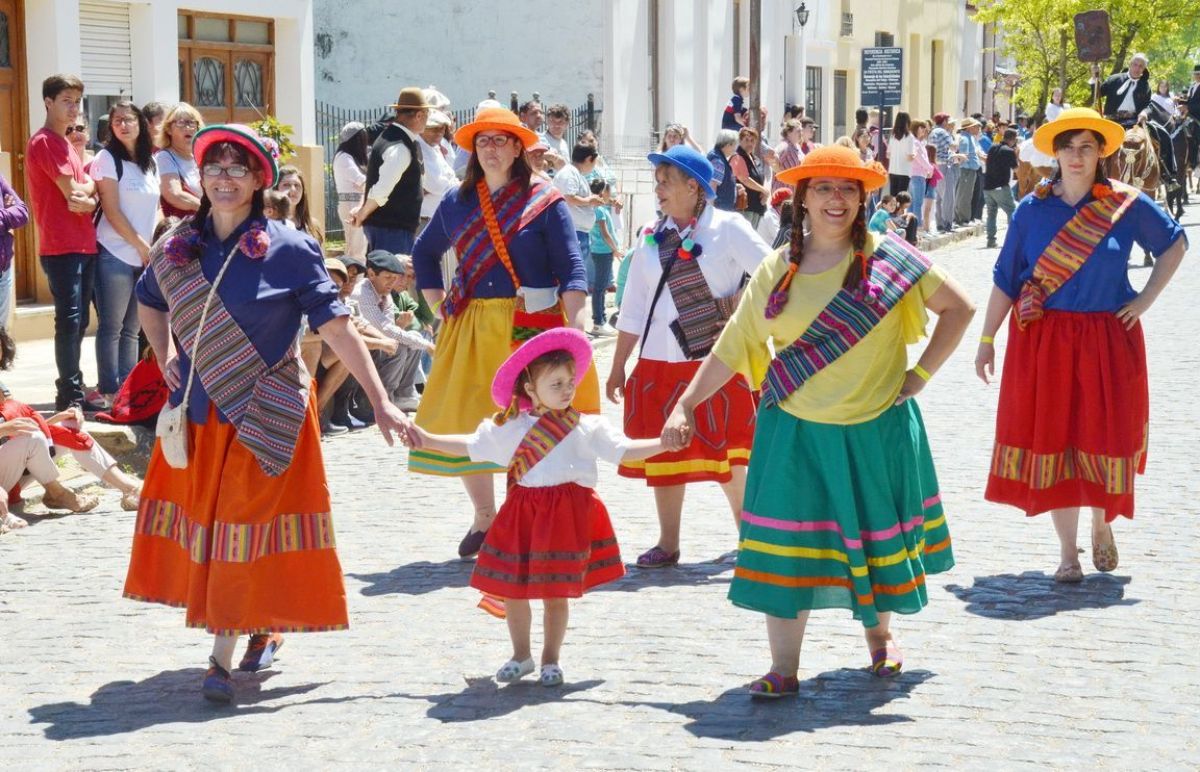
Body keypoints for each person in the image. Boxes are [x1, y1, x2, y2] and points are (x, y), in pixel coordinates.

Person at [661, 145, 974, 698]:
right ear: (801, 198)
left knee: (871, 542)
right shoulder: (776, 270)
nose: (837, 199)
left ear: (863, 198)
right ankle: (783, 667)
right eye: (824, 188)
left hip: (873, 429)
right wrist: (685, 402)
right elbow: (734, 346)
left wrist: (920, 375)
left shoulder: (892, 259)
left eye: (848, 189)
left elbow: (960, 308)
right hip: (796, 433)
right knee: (785, 550)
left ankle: (880, 641)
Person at [125, 123, 413, 704]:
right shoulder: (177, 244)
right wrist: (165, 354)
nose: (224, 179)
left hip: (269, 415)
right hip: (203, 415)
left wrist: (380, 400)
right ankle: (259, 625)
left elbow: (335, 325)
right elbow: (149, 302)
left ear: (260, 180)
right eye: (214, 168)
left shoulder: (289, 247)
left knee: (238, 526)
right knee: (229, 529)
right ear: (200, 178)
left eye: (237, 169)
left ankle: (218, 661)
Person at [976, 108, 1187, 583]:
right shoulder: (1032, 209)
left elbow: (1175, 244)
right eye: (1068, 146)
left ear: (1100, 154)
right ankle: (1068, 553)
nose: (1076, 156)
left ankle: (1101, 522)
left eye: (1087, 147)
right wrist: (987, 339)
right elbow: (1006, 278)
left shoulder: (1125, 204)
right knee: (1055, 439)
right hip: (1045, 342)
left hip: (1107, 339)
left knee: (1104, 437)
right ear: (1055, 153)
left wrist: (1146, 299)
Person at [410, 328, 664, 685]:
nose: (567, 390)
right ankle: (521, 654)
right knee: (515, 590)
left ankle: (551, 659)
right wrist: (428, 439)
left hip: (565, 517)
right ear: (529, 389)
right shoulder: (511, 427)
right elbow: (470, 446)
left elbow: (624, 451)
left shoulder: (587, 426)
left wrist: (663, 444)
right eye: (556, 383)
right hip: (523, 516)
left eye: (569, 382)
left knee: (555, 593)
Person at [410, 106, 597, 558]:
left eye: (500, 140)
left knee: (537, 421)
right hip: (472, 327)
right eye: (483, 141)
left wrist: (576, 321)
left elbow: (572, 265)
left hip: (532, 324)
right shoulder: (457, 201)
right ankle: (485, 517)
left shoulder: (545, 200)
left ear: (518, 147)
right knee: (469, 420)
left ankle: (533, 514)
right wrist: (439, 307)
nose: (491, 149)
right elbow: (424, 253)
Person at [607, 144, 767, 567]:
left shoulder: (727, 228)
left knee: (727, 454)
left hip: (712, 361)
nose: (658, 189)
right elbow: (635, 305)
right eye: (657, 181)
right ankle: (668, 541)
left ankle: (751, 538)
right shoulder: (649, 236)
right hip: (658, 360)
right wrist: (619, 363)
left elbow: (772, 275)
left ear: (694, 186)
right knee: (665, 452)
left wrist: (739, 308)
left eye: (666, 181)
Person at [26, 74, 99, 411]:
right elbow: (73, 194)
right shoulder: (44, 142)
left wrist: (90, 197)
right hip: (61, 246)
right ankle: (68, 395)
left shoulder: (67, 144)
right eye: (66, 100)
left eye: (77, 101)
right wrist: (88, 196)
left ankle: (75, 386)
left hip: (85, 244)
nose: (74, 108)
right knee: (69, 323)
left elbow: (88, 191)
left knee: (81, 323)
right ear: (48, 103)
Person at [91, 101, 161, 408]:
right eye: (117, 121)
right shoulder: (106, 158)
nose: (122, 125)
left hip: (144, 255)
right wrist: (140, 245)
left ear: (140, 124)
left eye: (129, 120)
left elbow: (156, 208)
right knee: (112, 326)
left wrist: (155, 244)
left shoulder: (151, 162)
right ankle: (110, 390)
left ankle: (129, 392)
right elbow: (112, 210)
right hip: (115, 253)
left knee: (133, 329)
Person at [348, 249, 434, 413]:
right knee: (400, 345)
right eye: (388, 277)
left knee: (412, 337)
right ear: (372, 274)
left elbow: (418, 321)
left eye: (394, 278)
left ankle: (403, 395)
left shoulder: (385, 294)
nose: (392, 282)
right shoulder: (362, 293)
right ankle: (381, 399)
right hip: (360, 347)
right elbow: (386, 329)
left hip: (375, 344)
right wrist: (427, 346)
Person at [350, 87, 432, 254]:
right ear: (419, 115)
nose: (427, 120)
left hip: (390, 229)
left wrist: (362, 209)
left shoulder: (391, 138)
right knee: (393, 278)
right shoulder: (400, 147)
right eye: (427, 115)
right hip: (392, 230)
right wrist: (363, 213)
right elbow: (381, 190)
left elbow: (373, 182)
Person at [1092, 54, 1179, 188]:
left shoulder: (1145, 86)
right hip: (1112, 122)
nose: (1137, 68)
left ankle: (1167, 175)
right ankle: (1089, 173)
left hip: (1135, 122)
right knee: (1091, 139)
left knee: (1163, 134)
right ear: (1130, 64)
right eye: (1135, 64)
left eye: (1141, 66)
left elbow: (1148, 105)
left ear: (1144, 69)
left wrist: (1144, 113)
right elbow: (1097, 93)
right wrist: (1094, 78)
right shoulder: (1114, 79)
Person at [157, 103, 204, 219]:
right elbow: (174, 195)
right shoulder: (164, 157)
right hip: (182, 231)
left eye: (191, 123)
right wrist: (208, 209)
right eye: (181, 123)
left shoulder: (201, 157)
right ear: (169, 130)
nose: (187, 127)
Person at [587, 178, 622, 336]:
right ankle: (598, 322)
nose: (610, 195)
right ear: (602, 192)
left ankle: (601, 320)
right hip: (603, 252)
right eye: (609, 191)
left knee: (601, 287)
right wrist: (615, 249)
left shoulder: (596, 207)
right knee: (600, 288)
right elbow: (605, 234)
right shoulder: (600, 210)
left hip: (600, 251)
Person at [333, 121, 369, 261]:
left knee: (358, 250)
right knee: (356, 251)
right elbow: (363, 182)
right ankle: (355, 282)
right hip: (351, 205)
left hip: (355, 204)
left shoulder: (349, 157)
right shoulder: (344, 158)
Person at [982, 128, 1020, 248]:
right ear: (1013, 139)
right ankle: (1012, 240)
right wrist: (1016, 156)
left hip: (988, 186)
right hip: (1001, 186)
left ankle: (991, 240)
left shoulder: (993, 147)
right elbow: (1016, 169)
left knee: (991, 214)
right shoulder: (1009, 151)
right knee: (1012, 211)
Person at [0, 172, 29, 326]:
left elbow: (23, 212)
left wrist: (2, 216)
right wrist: (7, 213)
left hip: (3, 270)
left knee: (1, 333)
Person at [730, 127, 770, 228]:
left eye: (752, 140)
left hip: (756, 206)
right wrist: (764, 190)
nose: (750, 143)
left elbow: (760, 176)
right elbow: (744, 179)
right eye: (746, 140)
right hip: (744, 207)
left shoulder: (755, 159)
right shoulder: (737, 157)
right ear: (740, 141)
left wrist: (764, 193)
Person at [275, 165, 323, 243]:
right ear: (276, 189)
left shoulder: (313, 226)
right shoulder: (269, 225)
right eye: (286, 185)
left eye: (297, 185)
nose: (293, 189)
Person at [954, 118, 985, 226]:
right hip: (967, 170)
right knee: (965, 195)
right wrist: (967, 168)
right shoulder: (965, 139)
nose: (978, 128)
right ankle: (964, 219)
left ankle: (961, 218)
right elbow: (964, 156)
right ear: (969, 128)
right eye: (976, 126)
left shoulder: (968, 137)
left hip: (969, 170)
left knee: (964, 194)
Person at [907, 120, 934, 233]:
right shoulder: (916, 143)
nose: (923, 130)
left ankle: (911, 229)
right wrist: (930, 168)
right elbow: (920, 158)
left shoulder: (916, 142)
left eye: (924, 128)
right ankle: (917, 230)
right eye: (921, 127)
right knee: (917, 204)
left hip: (915, 175)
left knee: (912, 204)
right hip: (918, 175)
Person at [707, 130, 739, 212]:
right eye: (734, 146)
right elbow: (712, 186)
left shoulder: (718, 157)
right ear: (728, 144)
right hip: (719, 209)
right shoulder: (718, 161)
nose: (734, 150)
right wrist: (710, 211)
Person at [886, 111, 913, 197]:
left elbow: (888, 155)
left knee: (893, 196)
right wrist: (915, 156)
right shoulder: (909, 137)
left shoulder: (892, 136)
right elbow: (909, 157)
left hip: (893, 170)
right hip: (904, 171)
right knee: (901, 198)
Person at [773, 120, 803, 194]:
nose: (801, 134)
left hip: (794, 189)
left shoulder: (797, 146)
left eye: (801, 131)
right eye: (798, 131)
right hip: (783, 190)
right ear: (789, 132)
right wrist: (783, 175)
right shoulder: (784, 146)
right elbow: (773, 161)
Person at [540, 104, 572, 171]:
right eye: (552, 121)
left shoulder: (564, 143)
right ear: (547, 122)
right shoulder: (541, 140)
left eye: (560, 121)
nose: (556, 125)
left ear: (567, 123)